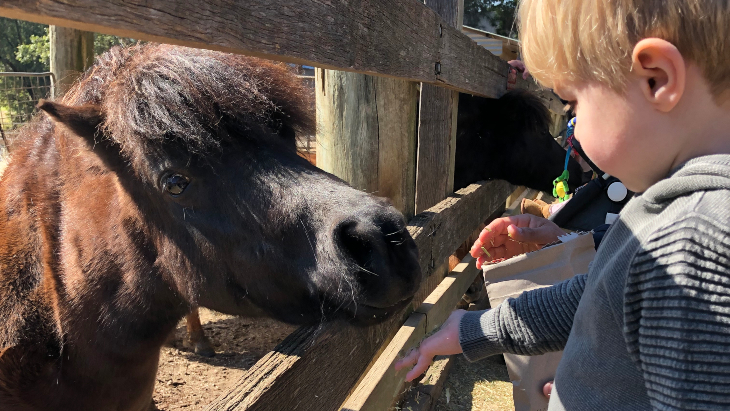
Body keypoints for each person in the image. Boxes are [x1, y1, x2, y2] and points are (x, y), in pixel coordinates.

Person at [395, 0, 730, 409]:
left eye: (574, 106)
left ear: (655, 80)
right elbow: (599, 296)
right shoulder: (673, 218)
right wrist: (476, 328)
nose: (573, 128)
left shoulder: (694, 243)